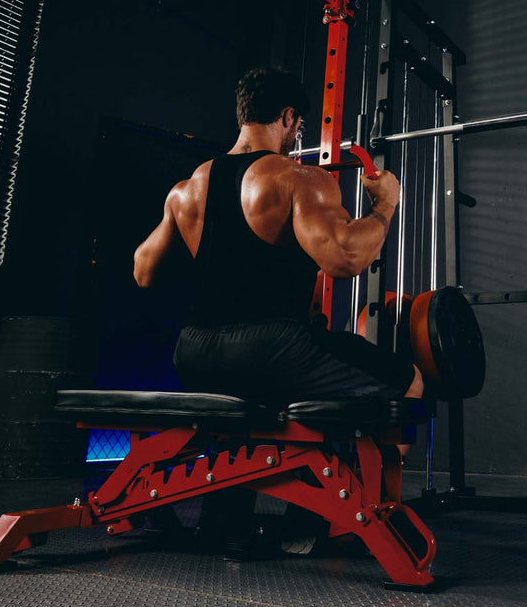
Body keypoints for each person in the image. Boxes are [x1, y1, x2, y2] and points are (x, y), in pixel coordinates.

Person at [133, 66, 423, 405]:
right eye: (298, 126)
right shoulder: (297, 178)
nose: (296, 134)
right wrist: (385, 203)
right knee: (410, 383)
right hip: (272, 352)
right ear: (288, 116)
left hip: (194, 353)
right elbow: (346, 257)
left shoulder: (186, 190)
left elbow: (143, 271)